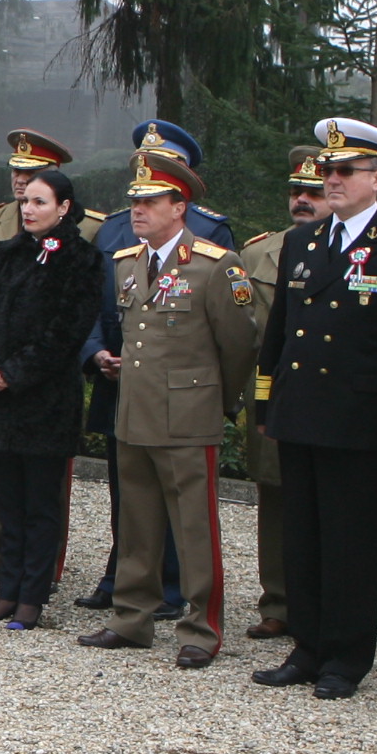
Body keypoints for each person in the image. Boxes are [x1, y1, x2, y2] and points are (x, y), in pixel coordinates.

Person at [251, 117, 377, 704]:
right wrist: (267, 403)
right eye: (326, 170)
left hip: (356, 424)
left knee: (351, 546)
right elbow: (280, 331)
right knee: (302, 539)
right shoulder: (302, 242)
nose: (329, 180)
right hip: (302, 412)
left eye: (343, 171)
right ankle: (307, 646)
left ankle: (347, 656)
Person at [77, 152, 259, 666]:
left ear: (180, 206)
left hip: (188, 414)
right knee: (136, 524)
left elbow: (240, 343)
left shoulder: (215, 264)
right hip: (135, 412)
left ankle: (200, 629)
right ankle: (131, 618)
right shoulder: (128, 262)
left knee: (193, 529)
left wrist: (216, 401)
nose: (138, 210)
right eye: (135, 201)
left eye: (151, 201)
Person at [0, 165, 104, 629]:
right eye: (26, 201)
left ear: (64, 208)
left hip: (43, 401)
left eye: (40, 202)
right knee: (7, 504)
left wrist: (13, 374)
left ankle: (32, 597)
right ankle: (7, 590)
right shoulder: (4, 253)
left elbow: (64, 332)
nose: (29, 209)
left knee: (40, 505)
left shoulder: (81, 258)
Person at [236, 146, 331, 640]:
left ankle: (325, 606)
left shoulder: (357, 251)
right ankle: (278, 601)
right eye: (296, 190)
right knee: (274, 500)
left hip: (331, 401)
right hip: (273, 398)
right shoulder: (258, 254)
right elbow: (242, 332)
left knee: (329, 504)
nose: (303, 200)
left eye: (314, 192)